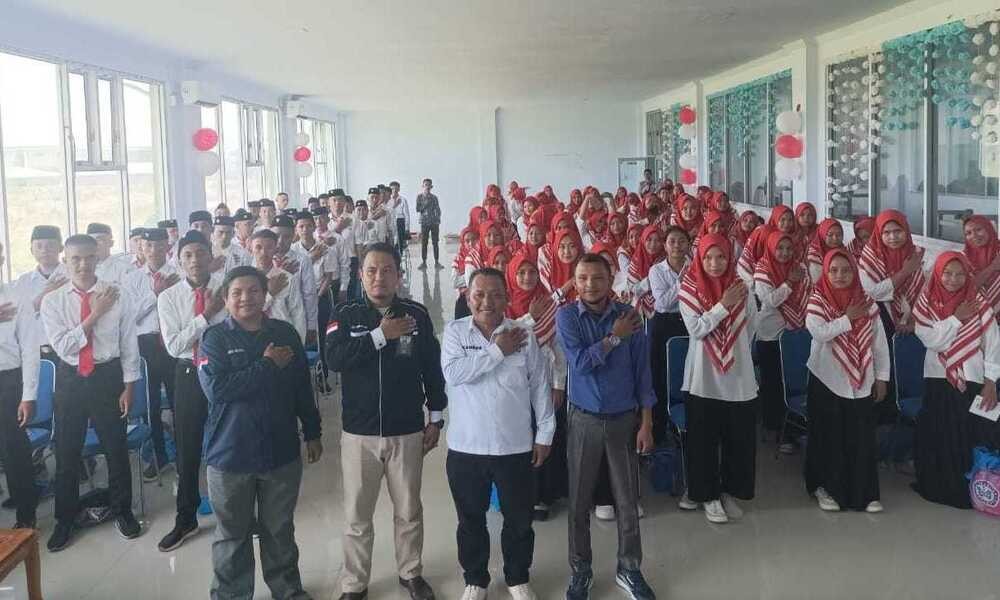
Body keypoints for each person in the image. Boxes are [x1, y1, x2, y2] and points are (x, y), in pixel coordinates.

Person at [326, 243, 447, 600]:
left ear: (398, 275)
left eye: (387, 270)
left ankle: (411, 573)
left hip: (406, 430)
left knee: (408, 509)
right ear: (360, 275)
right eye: (372, 270)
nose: (379, 277)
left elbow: (431, 367)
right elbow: (335, 359)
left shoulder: (416, 314)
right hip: (358, 433)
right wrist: (381, 335)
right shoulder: (344, 313)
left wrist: (436, 417)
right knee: (356, 516)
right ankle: (354, 583)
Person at [198, 266, 322, 600]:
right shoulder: (213, 339)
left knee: (279, 530)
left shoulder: (284, 333)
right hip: (230, 455)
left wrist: (313, 431)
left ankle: (288, 590)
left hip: (279, 451)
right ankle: (231, 595)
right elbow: (218, 390)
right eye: (237, 292)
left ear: (265, 294)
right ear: (226, 299)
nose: (246, 298)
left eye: (253, 290)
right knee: (231, 535)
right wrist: (267, 365)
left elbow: (301, 387)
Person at [441, 267, 554, 600]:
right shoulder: (455, 332)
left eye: (495, 295)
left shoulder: (523, 334)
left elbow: (540, 386)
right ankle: (475, 579)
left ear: (507, 299)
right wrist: (497, 351)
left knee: (519, 519)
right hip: (466, 447)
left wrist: (545, 433)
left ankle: (517, 577)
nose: (486, 302)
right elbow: (454, 373)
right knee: (470, 519)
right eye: (479, 294)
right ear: (467, 297)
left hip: (514, 446)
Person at [556, 253, 656, 600]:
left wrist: (646, 423)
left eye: (598, 278)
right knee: (579, 500)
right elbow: (580, 364)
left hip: (623, 420)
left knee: (627, 500)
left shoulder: (630, 317)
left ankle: (629, 568)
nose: (590, 285)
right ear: (574, 282)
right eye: (582, 278)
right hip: (583, 419)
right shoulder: (567, 317)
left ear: (610, 280)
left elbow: (643, 375)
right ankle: (580, 570)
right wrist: (613, 338)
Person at [41, 234, 142, 551]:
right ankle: (65, 519)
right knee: (67, 451)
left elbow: (129, 344)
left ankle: (122, 510)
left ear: (97, 258)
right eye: (76, 259)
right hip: (70, 379)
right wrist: (95, 313)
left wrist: (129, 386)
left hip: (107, 376)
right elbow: (64, 347)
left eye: (88, 257)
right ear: (65, 261)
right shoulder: (53, 301)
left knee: (115, 448)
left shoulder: (117, 294)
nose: (83, 264)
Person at [155, 230, 228, 552]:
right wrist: (206, 316)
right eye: (188, 255)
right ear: (179, 260)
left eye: (200, 253)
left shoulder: (227, 288)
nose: (195, 260)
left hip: (224, 369)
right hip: (187, 372)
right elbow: (174, 346)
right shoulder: (168, 297)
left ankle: (236, 512)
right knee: (187, 447)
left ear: (211, 256)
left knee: (229, 440)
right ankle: (186, 518)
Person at [679, 233, 758, 524]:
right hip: (703, 376)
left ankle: (728, 491)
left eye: (721, 257)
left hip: (738, 374)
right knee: (703, 440)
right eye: (708, 257)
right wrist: (723, 305)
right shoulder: (689, 288)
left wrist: (731, 348)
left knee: (737, 438)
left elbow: (751, 328)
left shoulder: (743, 289)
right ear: (699, 259)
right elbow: (696, 329)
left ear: (730, 258)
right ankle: (706, 495)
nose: (714, 263)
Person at [912, 251, 1000, 509]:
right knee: (938, 434)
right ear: (938, 274)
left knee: (966, 434)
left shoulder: (978, 302)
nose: (953, 279)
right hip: (938, 378)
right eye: (947, 273)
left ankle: (971, 489)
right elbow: (932, 340)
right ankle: (938, 486)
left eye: (960, 274)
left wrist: (991, 382)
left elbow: (993, 344)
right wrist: (955, 318)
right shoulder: (926, 302)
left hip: (972, 378)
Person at [805, 248, 889, 513]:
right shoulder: (818, 299)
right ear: (826, 272)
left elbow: (879, 343)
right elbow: (819, 332)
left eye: (846, 270)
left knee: (861, 437)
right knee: (828, 437)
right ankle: (825, 488)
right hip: (827, 379)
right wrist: (847, 319)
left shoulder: (867, 303)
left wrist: (882, 377)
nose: (840, 275)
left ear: (854, 272)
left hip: (861, 379)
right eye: (833, 270)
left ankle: (865, 492)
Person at [504, 253, 567, 521]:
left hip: (546, 382)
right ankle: (522, 494)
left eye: (531, 272)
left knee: (547, 435)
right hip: (515, 386)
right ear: (512, 276)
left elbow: (558, 348)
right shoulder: (504, 306)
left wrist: (559, 385)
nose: (527, 277)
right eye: (521, 273)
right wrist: (531, 317)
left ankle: (544, 495)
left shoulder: (549, 304)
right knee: (520, 437)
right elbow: (506, 337)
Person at [122, 227, 179, 479]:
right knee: (150, 405)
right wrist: (154, 295)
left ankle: (185, 452)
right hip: (145, 345)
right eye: (148, 246)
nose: (154, 251)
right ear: (141, 249)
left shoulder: (179, 274)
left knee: (180, 403)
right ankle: (158, 456)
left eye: (159, 245)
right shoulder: (132, 279)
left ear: (168, 246)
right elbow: (129, 317)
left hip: (174, 342)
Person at [753, 230, 811, 453]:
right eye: (780, 248)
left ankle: (795, 428)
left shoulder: (799, 267)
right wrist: (788, 282)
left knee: (795, 381)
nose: (785, 253)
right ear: (771, 248)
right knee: (774, 383)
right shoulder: (763, 270)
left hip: (796, 331)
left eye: (789, 248)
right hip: (770, 335)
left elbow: (808, 292)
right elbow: (769, 301)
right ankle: (775, 428)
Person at [0, 241, 40, 529]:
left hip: (8, 380)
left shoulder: (16, 297)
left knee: (14, 448)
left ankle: (26, 515)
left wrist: (29, 395)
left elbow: (29, 349)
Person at [647, 226, 691, 445]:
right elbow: (663, 303)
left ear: (688, 245)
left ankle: (683, 427)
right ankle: (659, 430)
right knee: (661, 377)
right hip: (663, 326)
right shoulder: (656, 270)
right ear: (665, 245)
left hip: (688, 323)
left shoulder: (695, 267)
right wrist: (683, 282)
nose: (677, 246)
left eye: (682, 241)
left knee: (685, 374)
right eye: (672, 241)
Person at [859, 210, 925, 335]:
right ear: (879, 233)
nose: (893, 237)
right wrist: (904, 272)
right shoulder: (870, 256)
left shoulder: (916, 255)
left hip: (914, 322)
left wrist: (914, 322)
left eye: (898, 231)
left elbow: (924, 293)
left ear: (906, 230)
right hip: (880, 320)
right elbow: (873, 292)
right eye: (886, 232)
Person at [15, 225, 68, 364]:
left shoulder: (72, 276)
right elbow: (18, 316)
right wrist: (45, 294)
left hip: (68, 350)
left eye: (50, 245)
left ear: (61, 248)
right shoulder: (23, 281)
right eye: (39, 246)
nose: (44, 250)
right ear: (31, 250)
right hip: (35, 352)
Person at [249, 230, 307, 342]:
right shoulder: (246, 279)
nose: (263, 252)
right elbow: (250, 311)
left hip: (283, 335)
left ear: (276, 249)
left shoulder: (287, 278)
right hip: (254, 338)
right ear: (251, 249)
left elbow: (297, 312)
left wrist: (299, 343)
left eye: (269, 247)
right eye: (258, 247)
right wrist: (269, 294)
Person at [272, 215, 319, 346]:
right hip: (267, 322)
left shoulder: (302, 260)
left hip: (295, 320)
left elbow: (309, 294)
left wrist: (311, 325)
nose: (280, 241)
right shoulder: (261, 259)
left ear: (293, 236)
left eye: (286, 237)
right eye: (276, 236)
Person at [963, 215, 1000, 318]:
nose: (974, 235)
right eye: (968, 233)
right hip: (978, 318)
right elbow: (968, 288)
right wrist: (993, 267)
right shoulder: (963, 258)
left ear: (988, 228)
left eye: (978, 229)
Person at [416, 178, 443, 270]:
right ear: (423, 186)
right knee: (424, 243)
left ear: (431, 187)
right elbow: (418, 209)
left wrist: (438, 219)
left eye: (429, 185)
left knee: (435, 243)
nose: (427, 187)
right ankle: (424, 262)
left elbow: (438, 209)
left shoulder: (434, 198)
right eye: (425, 185)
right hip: (424, 222)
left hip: (434, 223)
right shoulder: (419, 197)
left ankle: (437, 262)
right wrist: (426, 204)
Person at [806, 219, 844, 283]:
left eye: (838, 234)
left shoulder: (843, 250)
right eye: (830, 235)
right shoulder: (814, 256)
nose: (835, 238)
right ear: (822, 235)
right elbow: (815, 282)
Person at [390, 181, 411, 259]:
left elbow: (407, 215)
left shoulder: (403, 199)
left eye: (396, 189)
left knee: (400, 243)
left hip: (400, 221)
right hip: (391, 222)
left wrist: (407, 228)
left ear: (399, 189)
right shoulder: (388, 200)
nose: (394, 191)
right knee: (392, 241)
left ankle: (399, 257)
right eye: (392, 189)